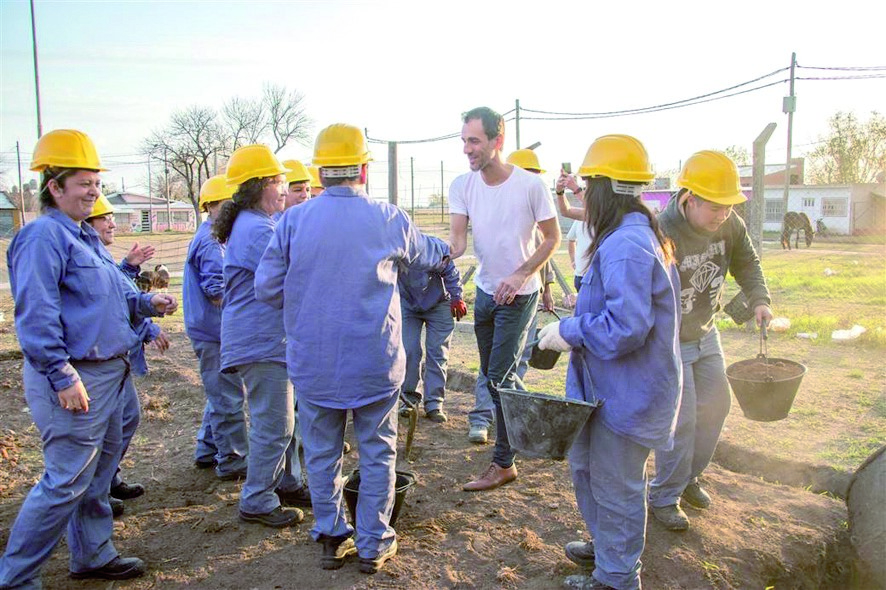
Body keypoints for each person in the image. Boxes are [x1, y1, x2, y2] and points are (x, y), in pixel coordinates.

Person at [255, 123, 449, 574]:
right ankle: (374, 541)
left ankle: (331, 534)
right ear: (363, 169)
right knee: (379, 450)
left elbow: (266, 288)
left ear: (320, 172)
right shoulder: (388, 218)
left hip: (314, 363)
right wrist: (448, 248)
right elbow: (427, 252)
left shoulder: (292, 221)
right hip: (374, 363)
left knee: (322, 452)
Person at [0, 129, 176, 587]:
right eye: (84, 183)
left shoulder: (85, 238)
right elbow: (36, 316)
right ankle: (16, 578)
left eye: (97, 183)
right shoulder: (43, 237)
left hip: (112, 375)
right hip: (78, 376)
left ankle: (93, 555)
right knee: (65, 480)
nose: (93, 192)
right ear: (54, 186)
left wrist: (145, 305)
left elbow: (109, 299)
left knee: (97, 475)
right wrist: (61, 374)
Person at [536, 134, 682, 590]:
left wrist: (569, 331)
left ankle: (617, 578)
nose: (581, 195)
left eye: (586, 187)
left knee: (618, 487)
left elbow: (626, 327)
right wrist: (584, 305)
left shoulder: (624, 244)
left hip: (628, 394)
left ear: (602, 189)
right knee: (588, 469)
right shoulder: (629, 235)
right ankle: (606, 548)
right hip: (607, 390)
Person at [648, 150, 772, 531]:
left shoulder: (730, 224)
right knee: (681, 421)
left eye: (728, 207)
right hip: (670, 340)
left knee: (717, 406)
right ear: (690, 199)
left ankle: (689, 479)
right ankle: (664, 495)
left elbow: (747, 263)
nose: (723, 215)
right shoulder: (661, 230)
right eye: (715, 207)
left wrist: (760, 300)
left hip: (706, 332)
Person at [449, 107, 560, 491]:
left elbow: (551, 238)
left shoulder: (530, 186)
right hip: (484, 292)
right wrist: (428, 253)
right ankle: (540, 423)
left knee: (498, 376)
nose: (467, 148)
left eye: (474, 140)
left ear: (498, 141)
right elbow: (458, 243)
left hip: (519, 295)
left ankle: (504, 463)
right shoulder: (462, 185)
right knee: (498, 375)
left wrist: (520, 274)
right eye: (464, 140)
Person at [213, 144, 308, 528]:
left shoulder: (256, 224)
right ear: (258, 186)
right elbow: (295, 273)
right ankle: (256, 498)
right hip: (260, 340)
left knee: (285, 418)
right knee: (276, 423)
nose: (284, 188)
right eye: (278, 181)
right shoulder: (257, 230)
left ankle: (286, 481)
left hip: (269, 339)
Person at [84, 194, 170, 517]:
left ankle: (107, 480)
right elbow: (114, 301)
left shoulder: (100, 255)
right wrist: (148, 326)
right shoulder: (83, 254)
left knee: (127, 418)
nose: (110, 222)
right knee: (109, 428)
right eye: (103, 217)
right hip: (99, 361)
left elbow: (121, 290)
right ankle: (97, 491)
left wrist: (130, 266)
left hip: (117, 358)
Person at [467, 148, 556, 445]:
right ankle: (485, 417)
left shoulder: (535, 200)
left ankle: (520, 422)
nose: (531, 182)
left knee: (513, 363)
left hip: (525, 295)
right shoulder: (494, 200)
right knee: (493, 367)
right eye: (526, 174)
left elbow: (543, 252)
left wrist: (546, 290)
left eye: (535, 176)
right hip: (492, 293)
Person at [185, 175, 249, 478]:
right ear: (209, 206)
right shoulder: (212, 242)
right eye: (225, 206)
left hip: (209, 330)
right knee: (228, 397)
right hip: (214, 332)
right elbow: (216, 291)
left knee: (220, 392)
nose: (230, 212)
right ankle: (234, 461)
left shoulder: (213, 235)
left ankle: (207, 448)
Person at [398, 238, 465, 423]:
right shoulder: (393, 249)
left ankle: (434, 403)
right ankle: (409, 398)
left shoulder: (435, 248)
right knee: (409, 349)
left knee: (437, 351)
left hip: (439, 303)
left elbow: (451, 272)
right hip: (407, 304)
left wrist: (457, 297)